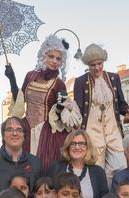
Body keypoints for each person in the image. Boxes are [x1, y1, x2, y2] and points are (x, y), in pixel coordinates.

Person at [5, 34, 80, 172]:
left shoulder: (59, 84)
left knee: (44, 170)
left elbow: (60, 113)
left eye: (58, 58)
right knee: (21, 169)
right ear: (43, 56)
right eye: (51, 57)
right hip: (26, 129)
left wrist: (62, 103)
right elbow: (20, 101)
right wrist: (12, 78)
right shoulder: (30, 76)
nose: (55, 61)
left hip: (48, 133)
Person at [74, 44, 129, 179]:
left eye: (99, 63)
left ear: (104, 62)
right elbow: (78, 110)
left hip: (113, 133)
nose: (97, 68)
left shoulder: (114, 78)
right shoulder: (80, 81)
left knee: (120, 169)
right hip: (92, 135)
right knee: (94, 173)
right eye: (92, 65)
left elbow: (121, 105)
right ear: (88, 65)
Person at [47, 130, 108, 198]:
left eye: (81, 144)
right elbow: (48, 195)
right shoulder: (56, 168)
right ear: (68, 147)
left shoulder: (98, 172)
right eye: (73, 143)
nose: (77, 147)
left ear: (88, 147)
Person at [0, 117, 42, 195]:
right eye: (9, 129)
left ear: (24, 136)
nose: (14, 133)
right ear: (3, 136)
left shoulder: (35, 163)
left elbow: (38, 194)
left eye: (19, 130)